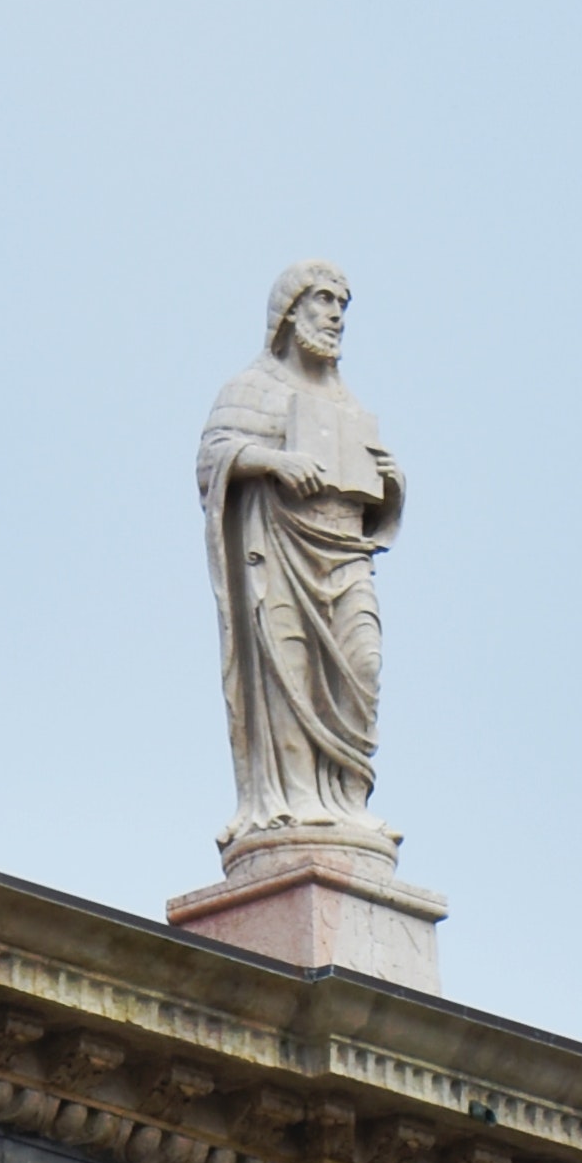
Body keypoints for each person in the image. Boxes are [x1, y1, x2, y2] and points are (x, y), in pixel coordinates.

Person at [198, 263, 406, 840]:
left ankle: (348, 799)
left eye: (343, 303)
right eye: (323, 300)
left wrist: (391, 481)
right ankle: (297, 800)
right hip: (278, 555)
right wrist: (275, 462)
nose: (337, 315)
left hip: (343, 553)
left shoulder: (347, 403)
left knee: (362, 664)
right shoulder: (251, 389)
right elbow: (212, 458)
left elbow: (377, 507)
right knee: (286, 676)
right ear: (290, 312)